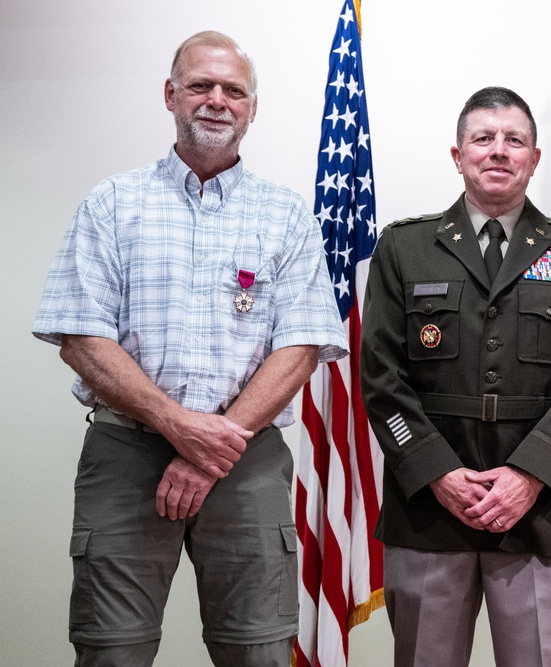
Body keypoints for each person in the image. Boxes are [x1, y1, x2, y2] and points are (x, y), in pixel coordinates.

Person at [32, 31, 347, 667]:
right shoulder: (114, 204)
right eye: (201, 85)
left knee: (258, 652)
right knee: (110, 653)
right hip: (127, 458)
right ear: (171, 94)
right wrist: (178, 426)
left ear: (252, 109)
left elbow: (300, 348)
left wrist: (210, 449)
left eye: (234, 90)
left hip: (247, 463)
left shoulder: (287, 216)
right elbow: (81, 336)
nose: (217, 100)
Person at [360, 86, 551, 667]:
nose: (498, 151)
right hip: (428, 510)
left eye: (514, 141)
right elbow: (381, 378)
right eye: (483, 139)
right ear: (458, 155)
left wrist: (528, 476)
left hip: (540, 515)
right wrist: (438, 474)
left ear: (534, 158)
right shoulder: (404, 249)